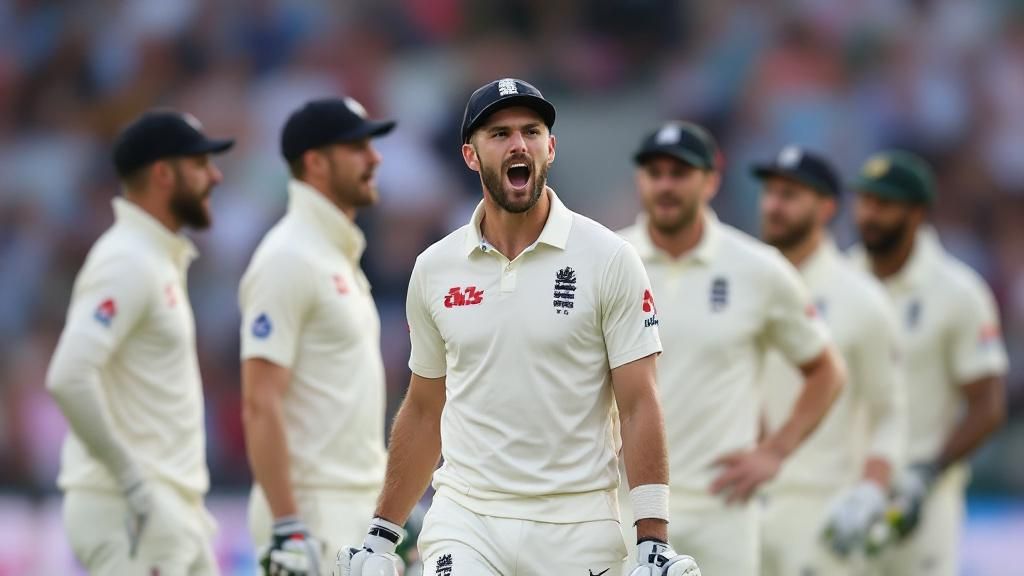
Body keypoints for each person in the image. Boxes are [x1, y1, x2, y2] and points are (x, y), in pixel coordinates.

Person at [338, 78, 700, 576]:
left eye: (531, 131)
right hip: (467, 520)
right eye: (500, 134)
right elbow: (424, 409)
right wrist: (381, 535)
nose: (518, 145)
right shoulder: (435, 268)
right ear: (470, 155)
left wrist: (653, 540)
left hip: (577, 526)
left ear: (550, 148)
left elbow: (639, 403)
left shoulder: (609, 258)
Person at [617, 121, 844, 575]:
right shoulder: (611, 259)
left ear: (711, 181)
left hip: (722, 512)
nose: (665, 185)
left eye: (680, 173)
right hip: (626, 508)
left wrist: (774, 451)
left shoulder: (758, 268)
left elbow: (826, 371)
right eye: (655, 173)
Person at [46, 110, 234, 575]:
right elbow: (68, 376)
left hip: (168, 508)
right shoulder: (127, 259)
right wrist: (133, 482)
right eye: (200, 164)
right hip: (133, 510)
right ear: (163, 174)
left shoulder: (152, 257)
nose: (215, 176)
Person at [238, 97, 395, 575]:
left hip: (353, 510)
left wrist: (389, 514)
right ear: (316, 163)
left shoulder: (333, 255)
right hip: (313, 514)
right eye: (357, 148)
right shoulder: (288, 257)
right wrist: (287, 526)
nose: (375, 158)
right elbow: (259, 400)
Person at [849, 151, 1008, 576]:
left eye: (884, 204)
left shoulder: (959, 292)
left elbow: (988, 404)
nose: (869, 215)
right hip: (847, 493)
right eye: (864, 201)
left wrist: (928, 471)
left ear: (917, 212)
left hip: (923, 499)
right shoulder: (840, 280)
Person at [753, 145, 905, 575]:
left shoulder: (862, 299)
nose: (774, 206)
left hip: (820, 509)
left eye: (789, 195)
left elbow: (890, 413)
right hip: (739, 503)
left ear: (826, 208)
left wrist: (871, 489)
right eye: (770, 192)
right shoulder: (741, 283)